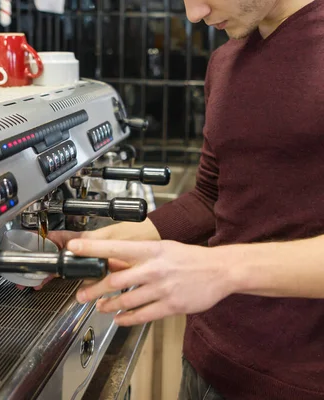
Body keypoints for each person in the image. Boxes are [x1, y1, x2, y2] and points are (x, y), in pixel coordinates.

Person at [44, 0, 324, 398]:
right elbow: (211, 198)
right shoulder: (226, 61)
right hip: (205, 364)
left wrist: (220, 269)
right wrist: (100, 245)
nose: (194, 14)